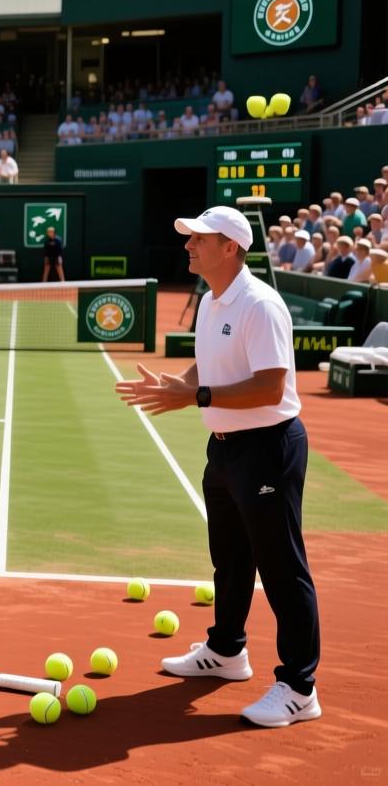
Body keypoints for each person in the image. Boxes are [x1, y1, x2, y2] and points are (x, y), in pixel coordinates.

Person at [115, 205, 321, 729]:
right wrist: (179, 384)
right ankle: (227, 652)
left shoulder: (260, 304)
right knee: (230, 559)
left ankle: (300, 688)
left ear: (230, 247)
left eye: (199, 239)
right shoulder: (211, 300)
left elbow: (271, 385)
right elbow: (207, 363)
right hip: (226, 448)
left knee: (280, 567)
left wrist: (196, 395)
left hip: (269, 446)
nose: (189, 245)